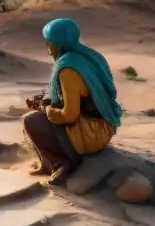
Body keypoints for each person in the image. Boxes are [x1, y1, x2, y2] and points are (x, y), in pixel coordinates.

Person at [22, 17, 122, 184]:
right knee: (39, 116)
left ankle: (59, 164)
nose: (47, 45)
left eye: (50, 41)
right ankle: (47, 163)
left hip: (92, 133)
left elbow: (70, 115)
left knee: (31, 121)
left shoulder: (68, 70)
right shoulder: (89, 56)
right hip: (105, 125)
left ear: (60, 42)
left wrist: (47, 110)